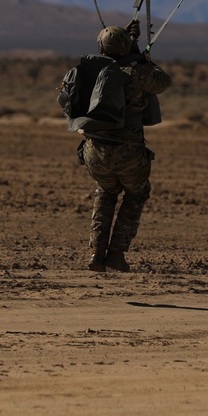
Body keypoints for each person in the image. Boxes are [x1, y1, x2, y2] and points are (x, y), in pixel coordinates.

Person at [71, 19, 171, 272]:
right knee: (137, 194)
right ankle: (116, 254)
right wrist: (140, 56)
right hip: (128, 150)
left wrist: (130, 48)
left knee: (105, 193)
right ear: (126, 47)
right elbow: (162, 82)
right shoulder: (137, 72)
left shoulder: (90, 71)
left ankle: (95, 253)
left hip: (95, 150)